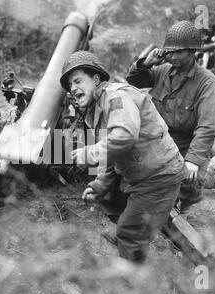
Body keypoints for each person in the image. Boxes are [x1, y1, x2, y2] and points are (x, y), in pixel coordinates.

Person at [60, 51, 188, 263]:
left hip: (159, 176)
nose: (73, 89)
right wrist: (100, 185)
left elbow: (124, 136)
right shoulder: (96, 107)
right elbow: (113, 153)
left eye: (77, 81)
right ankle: (131, 228)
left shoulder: (114, 96)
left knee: (130, 234)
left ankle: (133, 266)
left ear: (96, 79)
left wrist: (88, 153)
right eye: (70, 86)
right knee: (108, 199)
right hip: (141, 173)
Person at [126, 20, 215, 214]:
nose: (172, 56)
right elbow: (132, 82)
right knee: (134, 169)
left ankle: (208, 180)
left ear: (192, 52)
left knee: (189, 182)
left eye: (179, 52)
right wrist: (146, 63)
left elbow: (207, 126)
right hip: (162, 139)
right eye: (170, 52)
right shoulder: (163, 71)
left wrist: (192, 160)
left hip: (188, 143)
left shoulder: (206, 81)